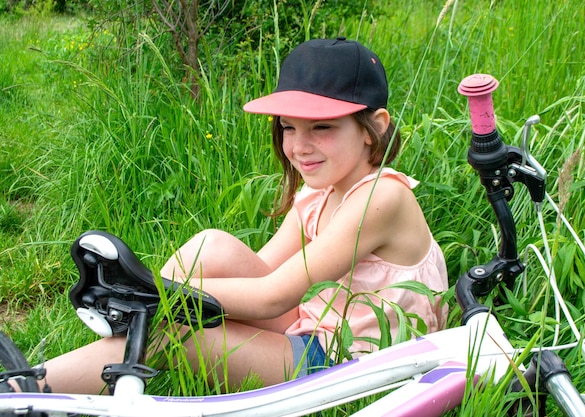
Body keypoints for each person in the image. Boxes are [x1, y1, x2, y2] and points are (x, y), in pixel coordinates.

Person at [40, 37, 448, 394]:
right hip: (315, 325)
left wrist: (159, 291)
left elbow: (273, 296)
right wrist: (170, 294)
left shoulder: (382, 197)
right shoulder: (321, 190)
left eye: (321, 127)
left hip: (350, 364)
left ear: (372, 127)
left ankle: (29, 389)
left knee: (174, 331)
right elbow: (267, 268)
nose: (299, 147)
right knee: (211, 245)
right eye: (289, 127)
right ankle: (135, 319)